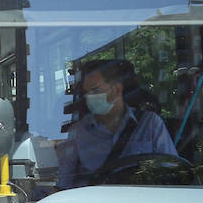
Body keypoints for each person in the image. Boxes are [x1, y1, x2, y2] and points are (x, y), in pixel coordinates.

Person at [57, 58, 177, 189]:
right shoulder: (78, 132)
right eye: (86, 93)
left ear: (117, 90)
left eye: (95, 91)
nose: (89, 97)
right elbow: (65, 183)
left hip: (142, 202)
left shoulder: (150, 124)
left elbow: (171, 173)